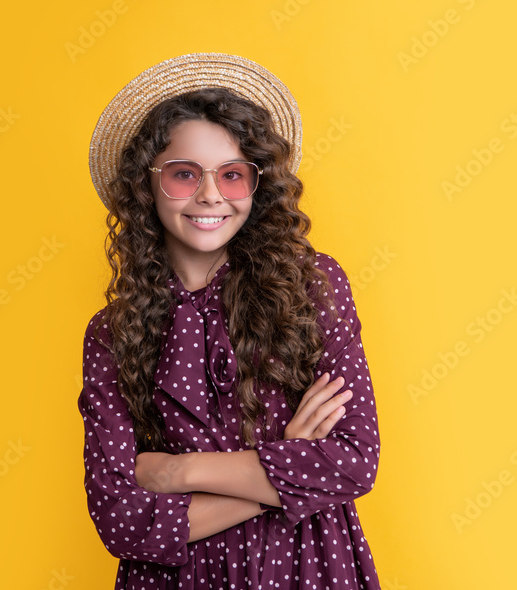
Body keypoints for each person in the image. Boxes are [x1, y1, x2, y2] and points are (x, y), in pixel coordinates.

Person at [79, 52, 381, 589]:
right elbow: (122, 521)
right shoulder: (111, 333)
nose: (211, 195)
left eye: (233, 175)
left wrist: (180, 472)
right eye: (184, 174)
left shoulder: (312, 288)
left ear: (257, 185)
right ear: (146, 186)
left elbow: (353, 462)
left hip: (308, 566)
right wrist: (287, 458)